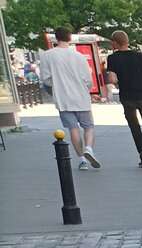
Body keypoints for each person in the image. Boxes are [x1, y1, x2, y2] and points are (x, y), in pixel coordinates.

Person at [39, 27, 99, 170]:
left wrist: (57, 85)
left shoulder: (47, 56)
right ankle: (89, 148)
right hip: (81, 97)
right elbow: (87, 79)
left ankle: (82, 160)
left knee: (73, 129)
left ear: (56, 38)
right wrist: (87, 89)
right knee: (88, 127)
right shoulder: (78, 56)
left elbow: (46, 79)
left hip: (63, 98)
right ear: (70, 38)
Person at [106, 31, 142, 171]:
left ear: (115, 42)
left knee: (134, 127)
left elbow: (112, 79)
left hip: (127, 97)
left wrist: (119, 83)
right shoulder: (138, 55)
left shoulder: (112, 58)